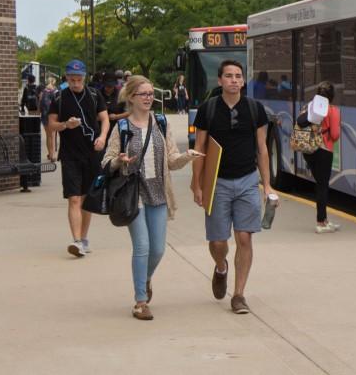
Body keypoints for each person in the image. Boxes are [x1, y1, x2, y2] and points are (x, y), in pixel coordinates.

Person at [102, 76, 202, 320]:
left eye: (150, 94)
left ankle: (144, 280)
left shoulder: (161, 123)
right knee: (142, 247)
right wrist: (119, 161)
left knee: (157, 249)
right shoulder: (122, 128)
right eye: (143, 94)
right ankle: (140, 301)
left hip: (157, 193)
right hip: (133, 194)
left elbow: (171, 159)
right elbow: (107, 160)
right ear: (131, 98)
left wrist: (187, 156)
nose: (148, 98)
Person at [190, 60, 276, 314]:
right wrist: (198, 185)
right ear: (220, 81)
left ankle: (238, 295)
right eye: (229, 76)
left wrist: (267, 184)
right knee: (218, 241)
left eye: (238, 76)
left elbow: (262, 148)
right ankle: (221, 267)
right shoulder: (208, 109)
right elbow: (200, 148)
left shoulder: (254, 109)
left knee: (244, 237)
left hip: (248, 180)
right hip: (218, 182)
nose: (234, 80)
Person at [47, 59, 109, 258]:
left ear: (84, 77)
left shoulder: (93, 94)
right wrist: (66, 125)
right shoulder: (59, 98)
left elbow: (105, 119)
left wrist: (102, 137)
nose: (75, 83)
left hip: (92, 153)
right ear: (66, 77)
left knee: (86, 199)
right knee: (74, 198)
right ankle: (76, 240)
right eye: (72, 79)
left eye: (79, 79)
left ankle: (83, 238)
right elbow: (51, 125)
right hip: (70, 154)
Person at [304, 81, 341, 234]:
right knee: (322, 186)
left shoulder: (309, 106)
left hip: (308, 149)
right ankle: (321, 222)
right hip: (324, 150)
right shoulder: (333, 111)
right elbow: (335, 135)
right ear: (332, 96)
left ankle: (324, 219)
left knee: (320, 184)